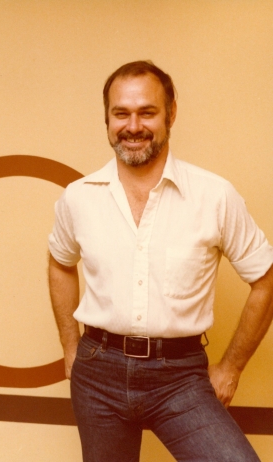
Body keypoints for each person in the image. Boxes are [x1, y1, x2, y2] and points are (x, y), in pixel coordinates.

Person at [48, 60, 273, 461]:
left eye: (147, 112)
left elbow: (265, 279)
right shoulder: (78, 197)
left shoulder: (214, 196)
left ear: (170, 114)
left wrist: (231, 367)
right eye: (121, 113)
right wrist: (69, 344)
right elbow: (60, 262)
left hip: (180, 378)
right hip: (97, 373)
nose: (133, 126)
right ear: (107, 120)